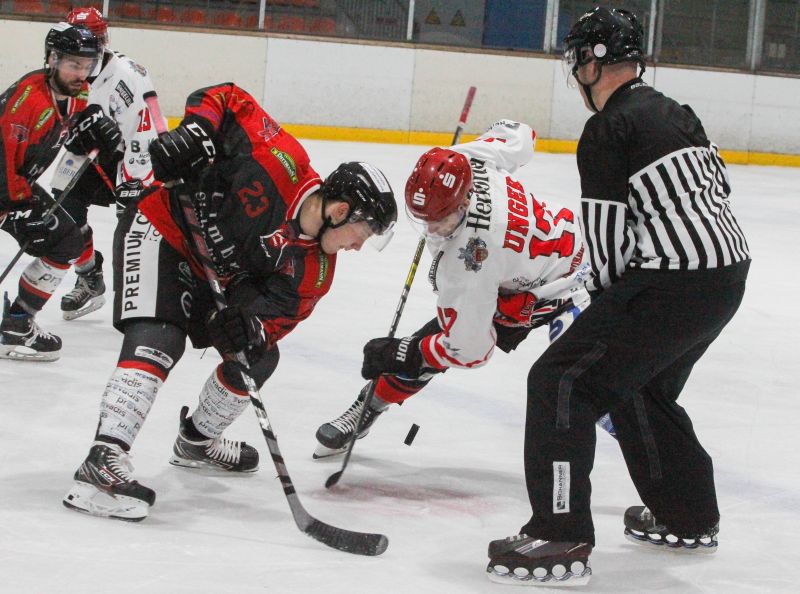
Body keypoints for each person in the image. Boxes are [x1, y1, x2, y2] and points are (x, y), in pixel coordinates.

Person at [485, 7, 750, 586]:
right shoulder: (676, 112)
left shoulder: (608, 128)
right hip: (726, 276)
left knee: (562, 381)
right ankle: (689, 515)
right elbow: (719, 187)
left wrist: (577, 310)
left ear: (591, 61)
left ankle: (560, 533)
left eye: (577, 58)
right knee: (639, 386)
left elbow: (606, 248)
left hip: (671, 282)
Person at [62, 83, 398, 522]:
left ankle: (196, 442)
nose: (358, 247)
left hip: (210, 273)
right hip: (161, 228)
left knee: (257, 357)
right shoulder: (281, 161)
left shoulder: (316, 271)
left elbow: (275, 321)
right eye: (364, 233)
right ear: (340, 210)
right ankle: (102, 462)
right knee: (161, 338)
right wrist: (198, 131)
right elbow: (225, 96)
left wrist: (250, 325)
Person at [314, 120, 591, 456]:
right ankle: (370, 403)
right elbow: (521, 134)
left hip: (564, 289)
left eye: (440, 219)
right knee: (439, 336)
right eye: (423, 217)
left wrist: (408, 352)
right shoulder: (467, 162)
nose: (431, 228)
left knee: (600, 389)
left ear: (464, 202)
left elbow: (470, 350)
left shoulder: (470, 258)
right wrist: (475, 147)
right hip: (571, 246)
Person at [0, 23, 122, 361]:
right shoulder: (27, 102)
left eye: (87, 66)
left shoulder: (76, 93)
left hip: (16, 188)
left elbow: (77, 121)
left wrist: (98, 125)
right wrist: (17, 209)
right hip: (5, 188)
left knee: (67, 239)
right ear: (52, 59)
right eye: (73, 64)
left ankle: (18, 324)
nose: (81, 74)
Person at [59, 6, 167, 320]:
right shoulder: (67, 70)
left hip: (136, 156)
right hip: (94, 154)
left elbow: (145, 130)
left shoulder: (127, 75)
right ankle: (90, 277)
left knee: (132, 227)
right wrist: (73, 138)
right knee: (64, 211)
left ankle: (145, 298)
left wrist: (132, 180)